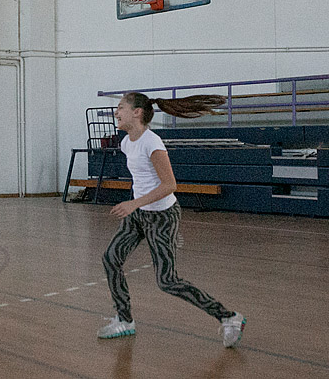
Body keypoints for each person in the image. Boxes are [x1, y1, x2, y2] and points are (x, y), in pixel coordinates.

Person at [98, 92, 245, 347]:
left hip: (162, 217)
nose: (116, 112)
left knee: (167, 281)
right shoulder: (126, 142)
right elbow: (142, 180)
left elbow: (170, 185)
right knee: (111, 259)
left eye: (121, 107)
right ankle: (125, 320)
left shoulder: (151, 142)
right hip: (140, 215)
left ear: (137, 112)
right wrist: (136, 205)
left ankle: (229, 317)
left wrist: (134, 203)